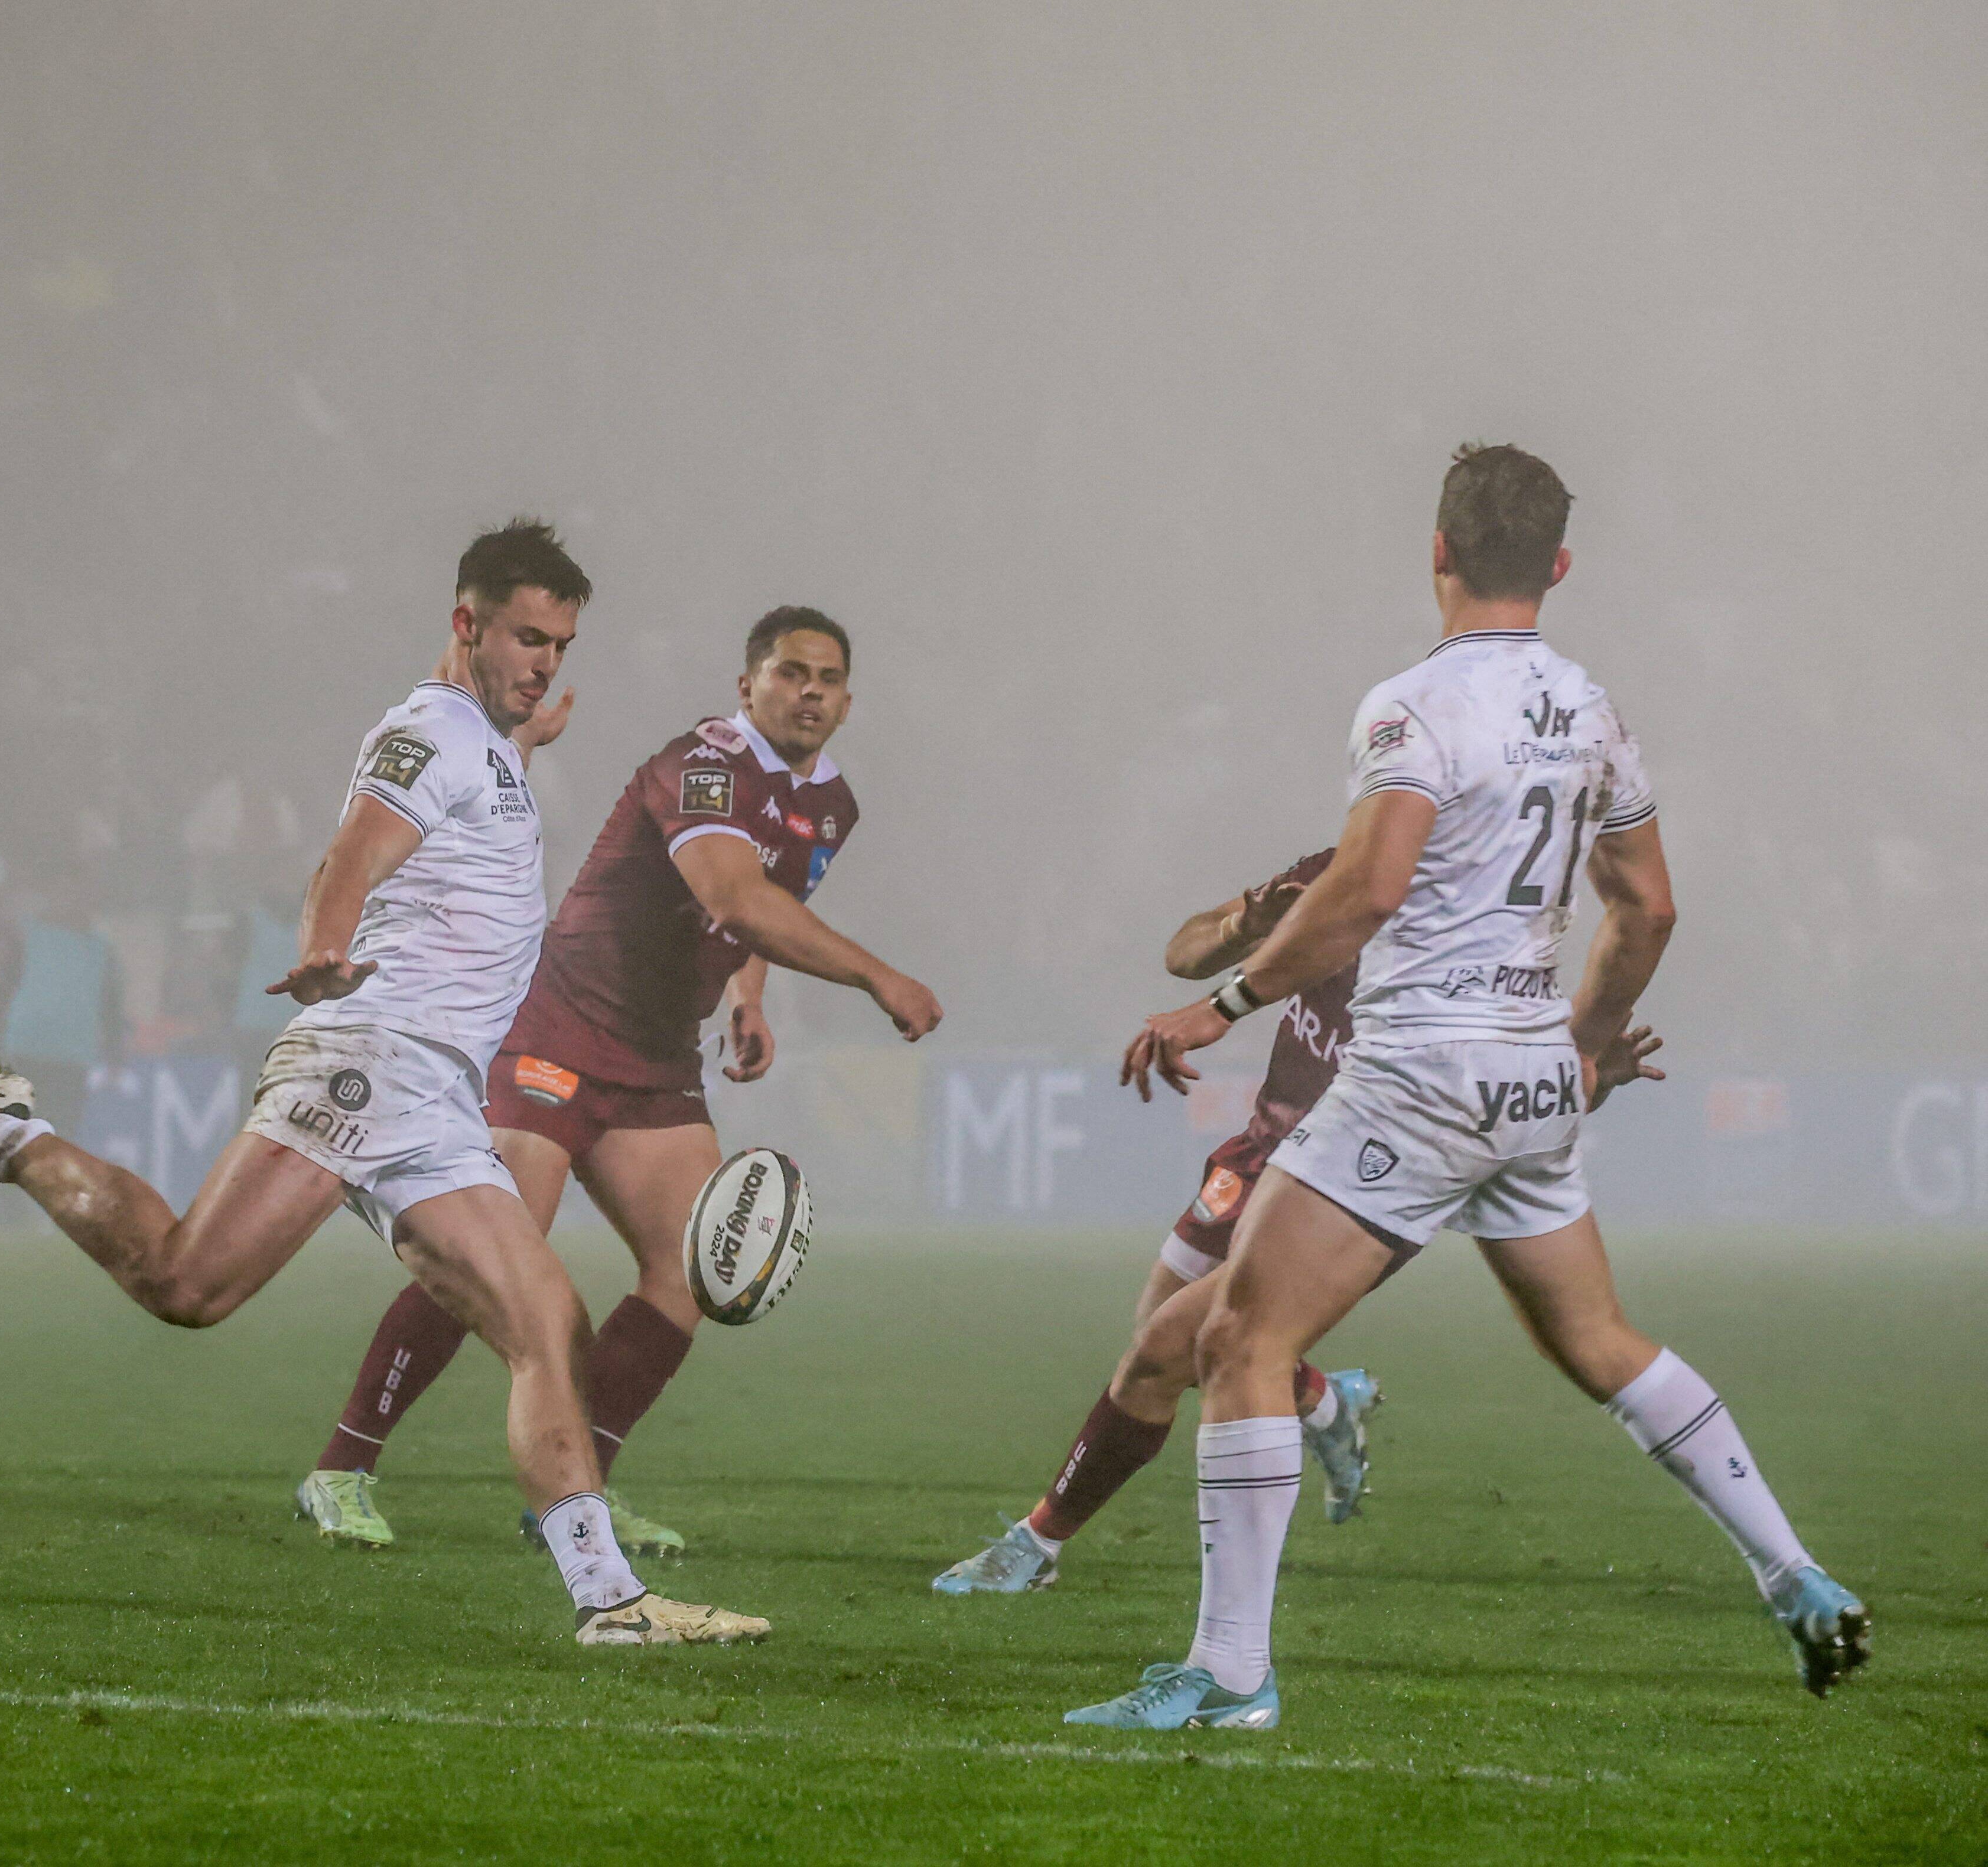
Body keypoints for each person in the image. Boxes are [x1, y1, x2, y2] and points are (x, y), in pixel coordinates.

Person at [1069, 444, 1869, 1731]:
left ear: (1437, 550)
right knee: (1602, 1343)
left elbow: (1369, 890)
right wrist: (1582, 1041)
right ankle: (1794, 1571)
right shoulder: (1592, 710)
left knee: (1237, 1341)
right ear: (1559, 565)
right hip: (1529, 1076)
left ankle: (1228, 1673)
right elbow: (1649, 906)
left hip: (1420, 1072)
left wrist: (1220, 1004)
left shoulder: (1413, 706)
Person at [0, 520, 767, 1647]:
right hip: (368, 1057)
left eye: (561, 646)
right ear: (466, 624)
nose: (545, 664)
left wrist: (528, 738)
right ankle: (3, 1129)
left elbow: (462, 836)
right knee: (187, 1285)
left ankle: (610, 1603)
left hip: (436, 1095)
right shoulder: (431, 731)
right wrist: (324, 946)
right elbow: (355, 852)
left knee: (548, 1320)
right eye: (527, 639)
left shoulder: (490, 740)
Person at [291, 606, 941, 1555]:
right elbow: (731, 893)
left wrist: (747, 996)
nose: (809, 691)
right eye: (789, 672)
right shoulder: (704, 763)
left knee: (689, 1270)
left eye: (827, 678)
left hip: (657, 1056)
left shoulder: (829, 804)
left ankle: (575, 1494)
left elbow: (765, 907)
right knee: (491, 1252)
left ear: (847, 700)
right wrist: (878, 975)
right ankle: (341, 1469)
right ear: (748, 685)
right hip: (559, 1024)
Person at [932, 853, 1666, 1594]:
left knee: (1162, 1354)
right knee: (1160, 1331)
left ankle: (1036, 1547)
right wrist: (1240, 927)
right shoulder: (1343, 872)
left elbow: (1508, 1101)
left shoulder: (1489, 935)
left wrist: (1589, 1078)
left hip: (1355, 1188)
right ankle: (1321, 1402)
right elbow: (1182, 954)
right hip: (1263, 1150)